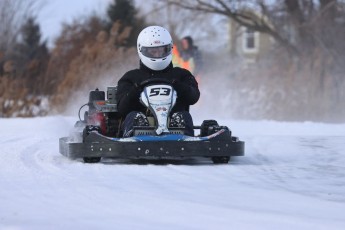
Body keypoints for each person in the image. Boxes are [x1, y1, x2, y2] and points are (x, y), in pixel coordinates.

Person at [116, 26, 200, 137]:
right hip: (140, 128)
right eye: (152, 52)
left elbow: (193, 97)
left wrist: (179, 86)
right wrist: (135, 91)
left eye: (161, 51)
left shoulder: (181, 75)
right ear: (142, 50)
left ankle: (184, 140)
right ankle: (136, 138)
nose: (157, 55)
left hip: (175, 126)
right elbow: (122, 108)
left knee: (182, 116)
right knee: (134, 116)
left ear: (170, 49)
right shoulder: (131, 77)